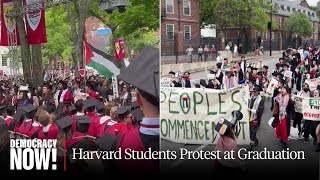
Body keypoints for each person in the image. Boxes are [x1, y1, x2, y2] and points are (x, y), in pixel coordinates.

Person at [247, 86, 265, 150]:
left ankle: (251, 147)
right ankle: (255, 140)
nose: (253, 93)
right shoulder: (251, 97)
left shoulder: (261, 100)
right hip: (249, 116)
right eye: (253, 91)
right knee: (250, 131)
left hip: (255, 118)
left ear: (258, 92)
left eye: (255, 92)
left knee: (253, 131)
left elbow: (260, 112)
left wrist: (251, 110)